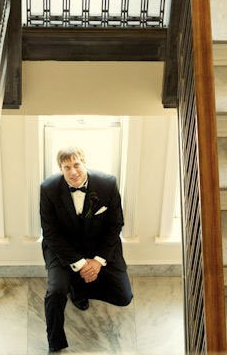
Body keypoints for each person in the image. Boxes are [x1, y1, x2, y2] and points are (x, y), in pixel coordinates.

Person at [39, 146, 132, 353]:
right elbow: (50, 233)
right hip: (63, 249)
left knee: (124, 297)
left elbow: (115, 225)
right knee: (55, 292)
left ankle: (79, 287)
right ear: (60, 169)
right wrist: (81, 264)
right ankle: (55, 342)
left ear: (84, 162)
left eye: (76, 165)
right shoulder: (48, 189)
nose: (73, 172)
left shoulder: (107, 184)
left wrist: (97, 262)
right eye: (66, 167)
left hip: (98, 247)